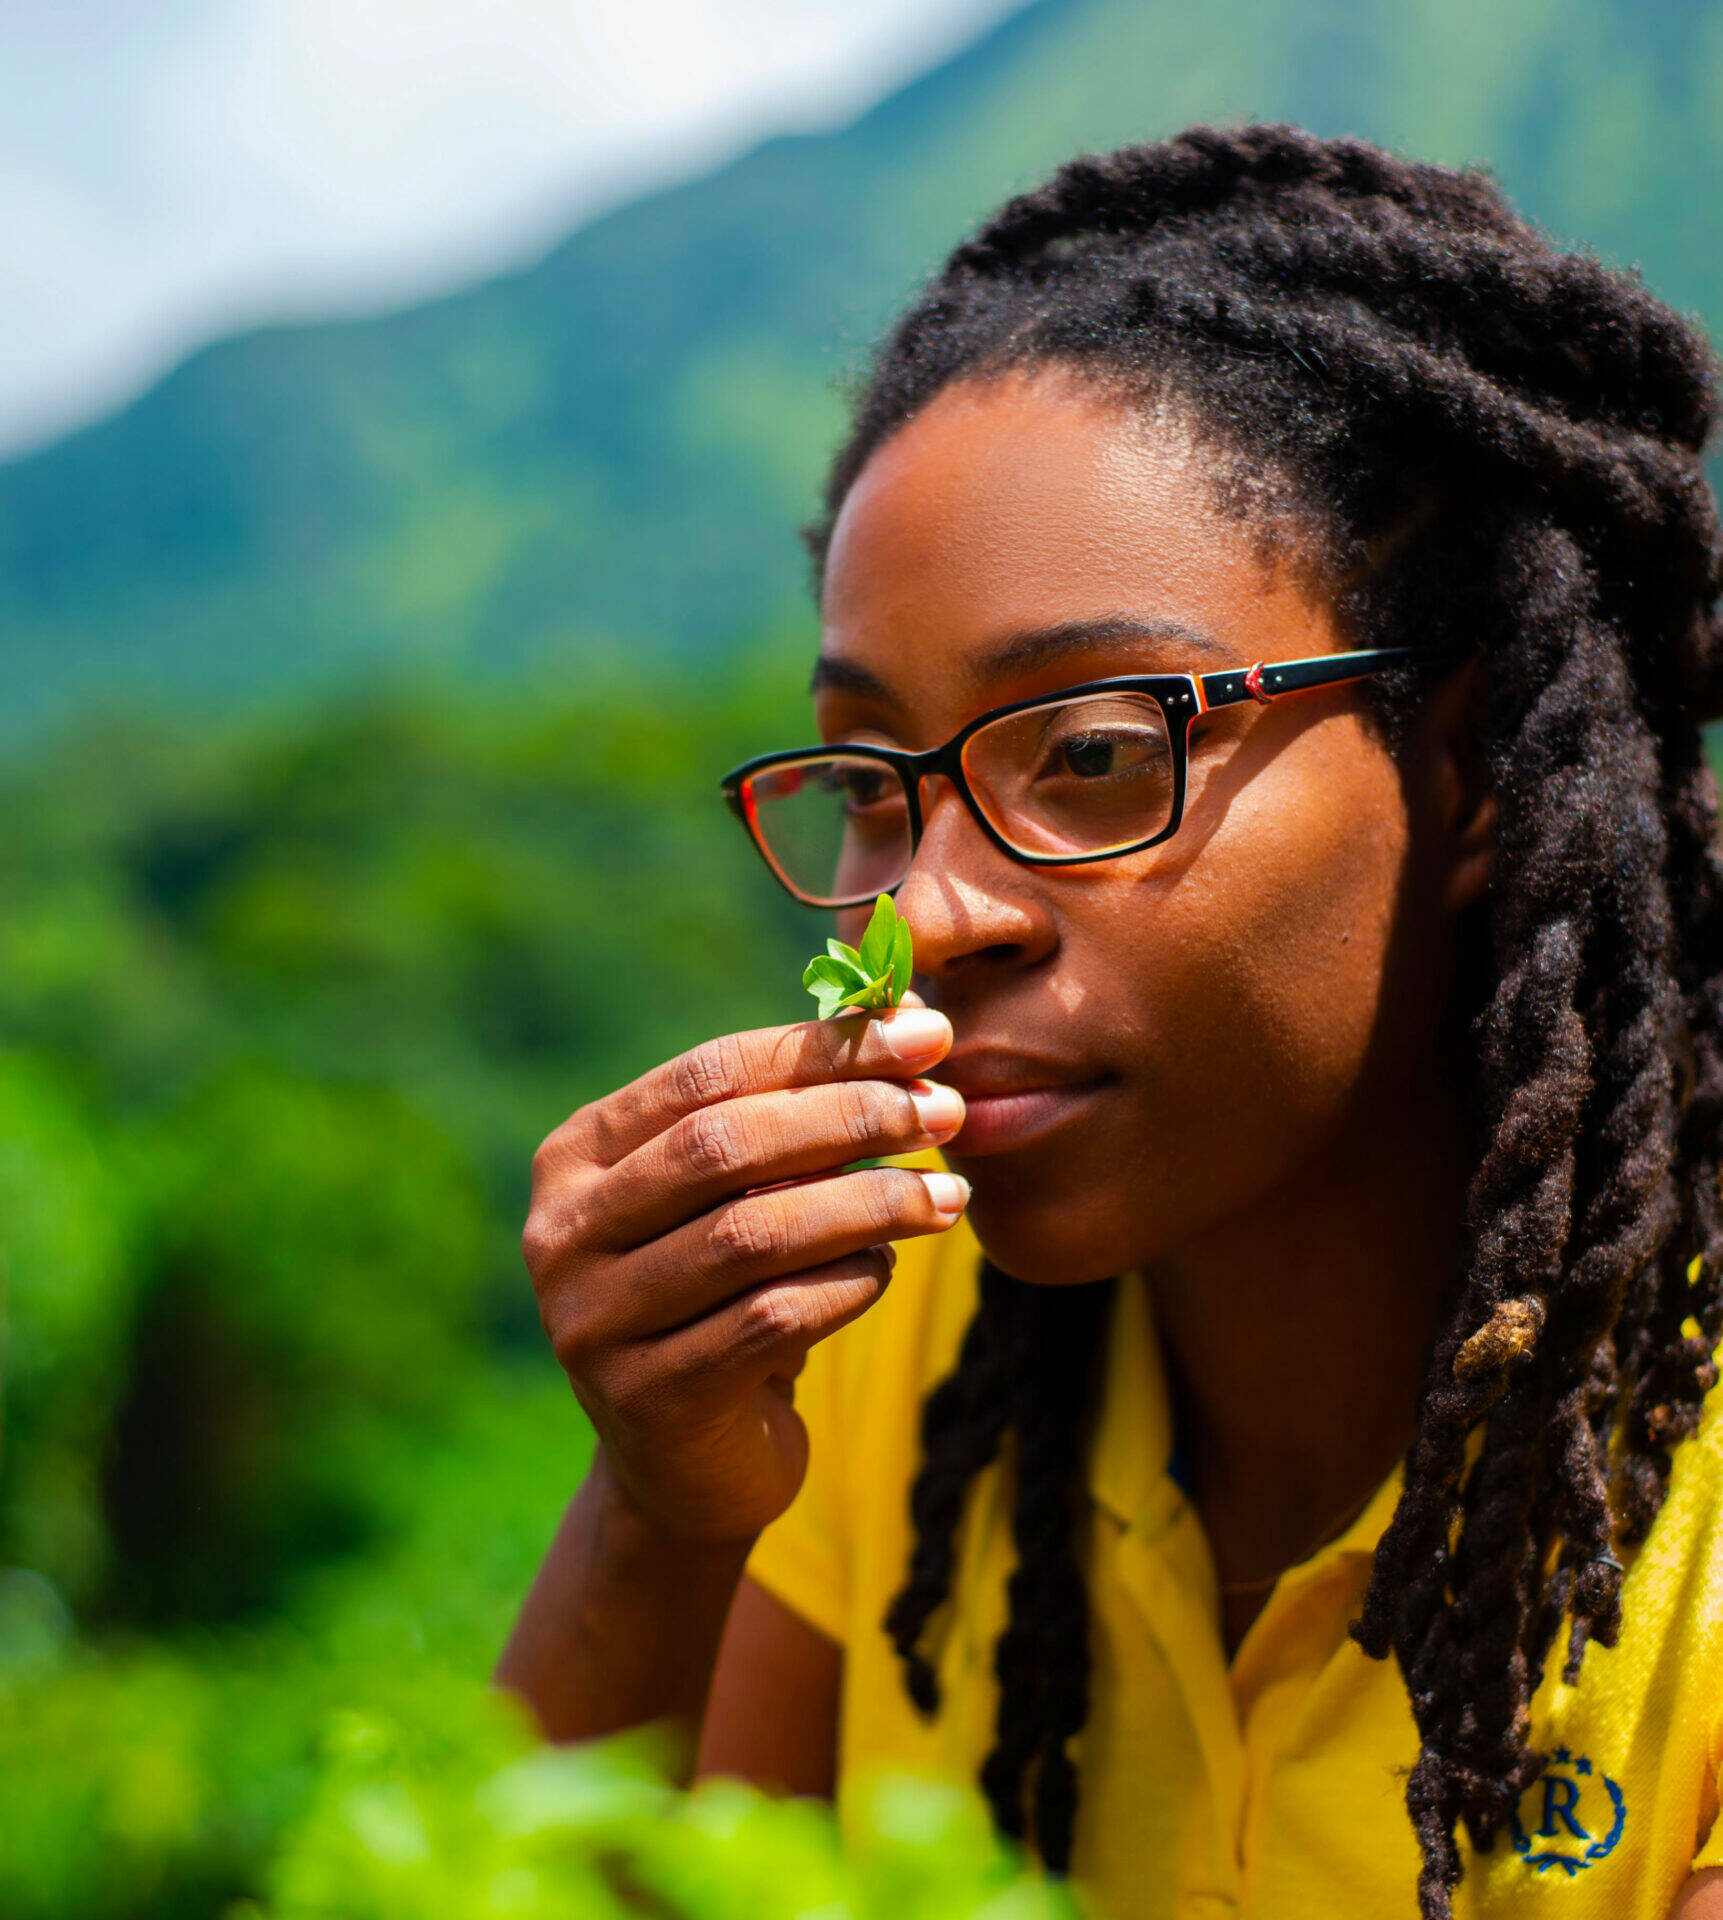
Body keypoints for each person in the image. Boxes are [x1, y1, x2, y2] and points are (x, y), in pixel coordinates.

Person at [496, 124, 1723, 1920]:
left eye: (1090, 751)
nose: (925, 914)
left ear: (1463, 767)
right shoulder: (886, 1350)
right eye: (873, 782)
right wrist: (658, 1512)